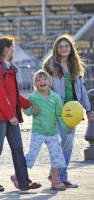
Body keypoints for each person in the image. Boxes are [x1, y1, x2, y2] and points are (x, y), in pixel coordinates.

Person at [0, 35, 41, 191]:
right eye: (12, 47)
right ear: (5, 50)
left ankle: (24, 182)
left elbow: (13, 94)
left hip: (9, 114)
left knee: (17, 148)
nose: (14, 50)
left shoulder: (8, 66)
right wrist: (11, 115)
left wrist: (29, 104)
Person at [42, 34, 94, 188]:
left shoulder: (75, 66)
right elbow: (43, 87)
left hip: (74, 110)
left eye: (66, 46)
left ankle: (60, 176)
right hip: (57, 110)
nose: (63, 48)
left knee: (68, 143)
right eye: (60, 46)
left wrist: (88, 110)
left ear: (71, 48)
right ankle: (56, 175)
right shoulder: (50, 65)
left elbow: (83, 90)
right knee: (67, 141)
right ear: (56, 49)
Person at [12, 69, 69, 191]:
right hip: (38, 132)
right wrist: (32, 111)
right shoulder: (33, 97)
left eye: (44, 79)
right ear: (35, 84)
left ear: (50, 82)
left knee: (57, 156)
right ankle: (17, 176)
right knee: (31, 156)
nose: (42, 81)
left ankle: (55, 181)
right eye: (38, 80)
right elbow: (26, 111)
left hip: (53, 133)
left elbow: (60, 115)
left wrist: (66, 127)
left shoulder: (56, 97)